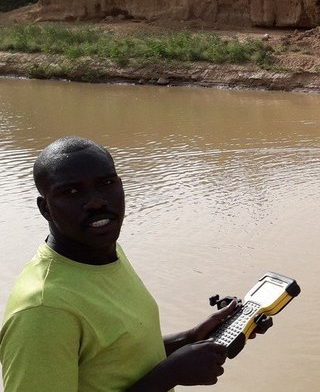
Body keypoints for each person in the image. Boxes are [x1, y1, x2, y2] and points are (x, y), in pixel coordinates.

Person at [0, 137, 269, 391]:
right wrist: (169, 375)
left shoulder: (104, 253)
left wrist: (190, 338)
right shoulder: (42, 310)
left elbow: (118, 358)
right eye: (71, 191)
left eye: (106, 183)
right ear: (45, 208)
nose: (95, 201)